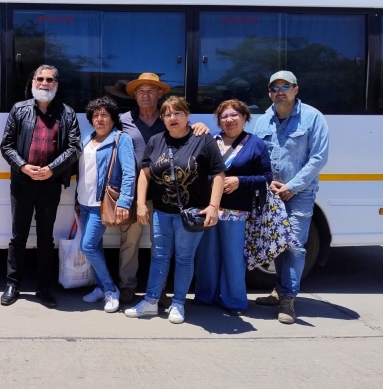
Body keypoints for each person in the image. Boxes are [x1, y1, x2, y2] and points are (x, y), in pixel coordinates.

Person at [124, 96, 225, 324]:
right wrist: (140, 203)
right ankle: (150, 301)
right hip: (161, 211)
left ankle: (178, 303)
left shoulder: (203, 140)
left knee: (184, 258)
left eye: (177, 113)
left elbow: (219, 174)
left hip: (191, 213)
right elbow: (145, 173)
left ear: (187, 115)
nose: (172, 118)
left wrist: (213, 206)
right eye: (167, 114)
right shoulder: (157, 140)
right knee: (159, 257)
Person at [116, 73, 210, 306]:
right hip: (135, 192)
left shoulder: (170, 117)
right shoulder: (123, 119)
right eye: (140, 91)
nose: (145, 95)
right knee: (130, 242)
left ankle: (160, 291)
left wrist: (200, 124)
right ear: (134, 95)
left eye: (151, 90)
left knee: (162, 248)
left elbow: (191, 133)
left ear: (160, 94)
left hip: (165, 195)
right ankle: (127, 285)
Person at [0, 64, 81, 309]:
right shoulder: (19, 110)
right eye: (40, 79)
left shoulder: (67, 113)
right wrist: (23, 166)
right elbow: (6, 146)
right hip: (22, 183)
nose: (44, 83)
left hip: (50, 185)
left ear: (56, 84)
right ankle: (13, 284)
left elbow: (74, 148)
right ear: (33, 81)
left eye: (50, 80)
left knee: (46, 238)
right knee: (18, 236)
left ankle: (44, 288)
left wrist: (51, 169)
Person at [252, 71, 329, 324]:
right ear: (269, 92)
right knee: (277, 244)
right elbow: (257, 155)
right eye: (275, 87)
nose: (280, 91)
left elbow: (318, 158)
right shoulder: (263, 121)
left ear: (296, 89)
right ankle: (278, 289)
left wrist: (292, 187)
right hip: (271, 193)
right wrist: (267, 182)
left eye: (286, 86)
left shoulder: (312, 118)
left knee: (295, 245)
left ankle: (288, 298)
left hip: (300, 193)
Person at [193, 99, 272, 316]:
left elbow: (266, 178)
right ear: (218, 121)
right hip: (209, 207)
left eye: (234, 115)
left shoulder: (255, 144)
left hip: (237, 209)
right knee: (206, 255)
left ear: (245, 117)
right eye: (224, 116)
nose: (229, 119)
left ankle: (235, 301)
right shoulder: (210, 141)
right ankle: (205, 295)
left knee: (233, 257)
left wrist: (240, 181)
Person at [75, 96, 135, 313]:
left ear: (112, 118)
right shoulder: (86, 139)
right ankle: (101, 287)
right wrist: (76, 200)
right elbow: (83, 173)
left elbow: (129, 173)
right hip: (84, 201)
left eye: (104, 115)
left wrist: (125, 202)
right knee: (96, 246)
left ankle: (110, 289)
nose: (99, 119)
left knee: (87, 246)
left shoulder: (121, 139)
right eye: (95, 115)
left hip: (103, 203)